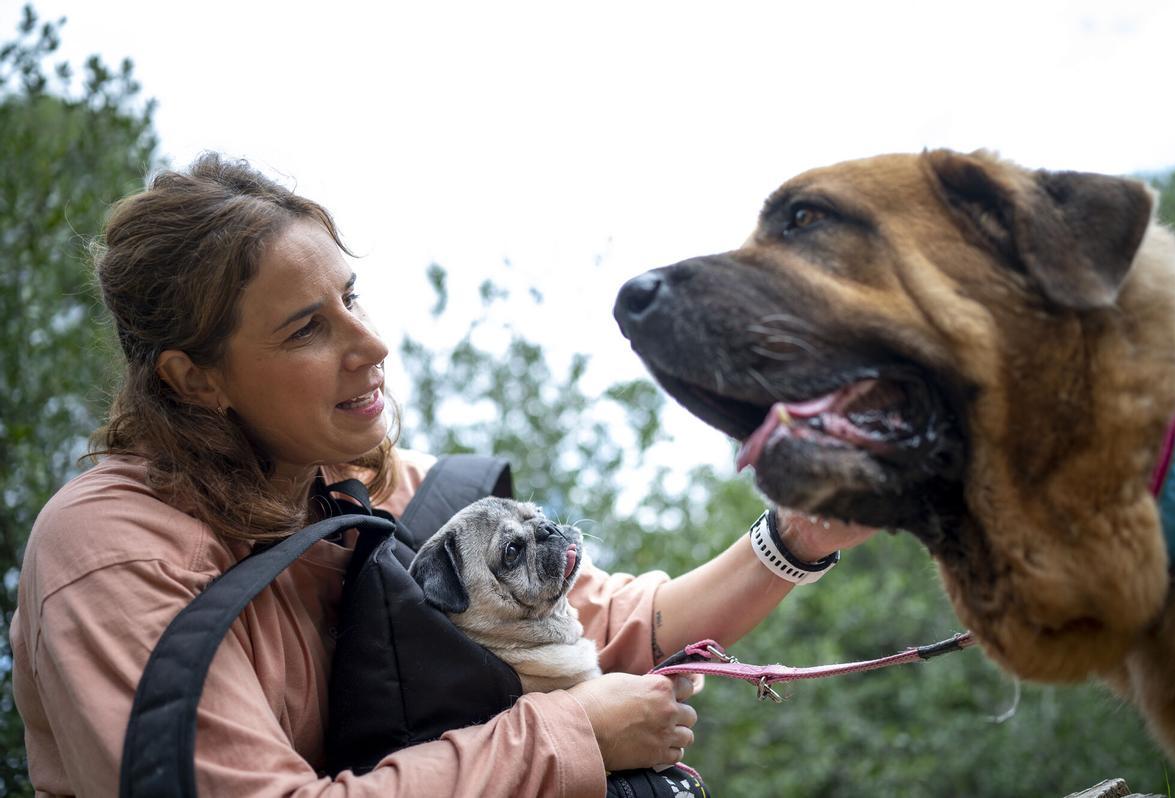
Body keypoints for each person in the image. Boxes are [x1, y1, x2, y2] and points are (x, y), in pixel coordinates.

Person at [10, 154, 878, 797]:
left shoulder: (377, 492)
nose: (372, 344)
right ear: (192, 377)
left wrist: (796, 535)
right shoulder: (112, 557)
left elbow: (608, 623)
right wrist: (570, 736)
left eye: (352, 297)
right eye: (307, 328)